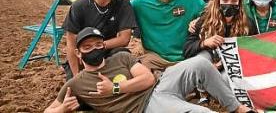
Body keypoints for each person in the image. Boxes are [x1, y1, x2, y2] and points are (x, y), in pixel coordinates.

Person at [44, 27, 252, 113]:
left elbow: (147, 79)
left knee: (200, 63)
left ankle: (236, 107)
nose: (94, 49)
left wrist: (114, 88)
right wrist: (62, 109)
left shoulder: (121, 57)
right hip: (147, 105)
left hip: (162, 82)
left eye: (98, 44)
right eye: (87, 47)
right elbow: (48, 111)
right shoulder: (76, 83)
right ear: (79, 54)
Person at [63, 0, 137, 79]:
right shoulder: (78, 6)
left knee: (124, 59)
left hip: (109, 52)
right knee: (77, 91)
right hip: (84, 55)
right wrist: (76, 76)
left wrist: (97, 47)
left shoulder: (122, 3)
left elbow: (124, 39)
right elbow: (71, 45)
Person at [131, 0, 205, 72]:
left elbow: (209, 12)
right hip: (154, 58)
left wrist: (199, 20)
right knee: (140, 73)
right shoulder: (139, 3)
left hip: (186, 56)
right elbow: (121, 15)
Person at [184, 0, 251, 60]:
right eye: (225, 1)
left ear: (239, 4)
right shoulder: (204, 20)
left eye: (234, 1)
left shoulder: (247, 24)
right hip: (208, 64)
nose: (229, 4)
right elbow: (187, 50)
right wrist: (204, 43)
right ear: (218, 2)